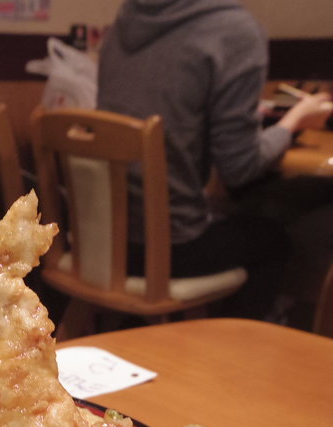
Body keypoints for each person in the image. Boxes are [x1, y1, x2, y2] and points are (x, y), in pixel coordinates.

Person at [96, 0, 332, 320]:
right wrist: (295, 121)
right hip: (170, 249)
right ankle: (230, 350)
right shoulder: (233, 30)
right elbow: (239, 167)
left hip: (104, 242)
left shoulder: (128, 18)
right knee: (273, 239)